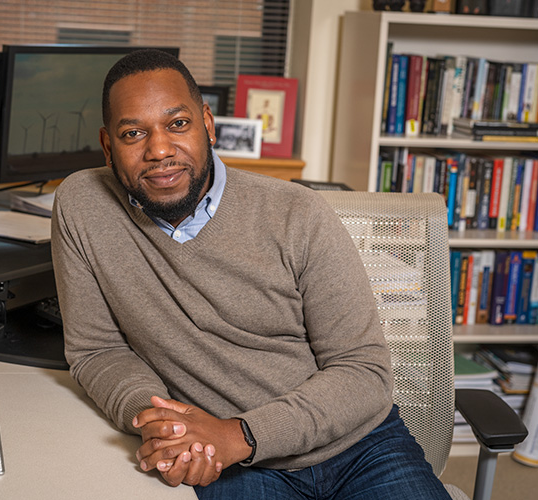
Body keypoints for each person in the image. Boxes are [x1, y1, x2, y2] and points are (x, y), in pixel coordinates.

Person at [50, 49, 450, 499]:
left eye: (177, 124)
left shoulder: (297, 213)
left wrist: (238, 435)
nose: (159, 149)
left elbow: (364, 372)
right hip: (230, 463)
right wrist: (159, 420)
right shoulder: (82, 206)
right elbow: (96, 349)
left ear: (208, 124)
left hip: (358, 447)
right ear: (108, 146)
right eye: (133, 133)